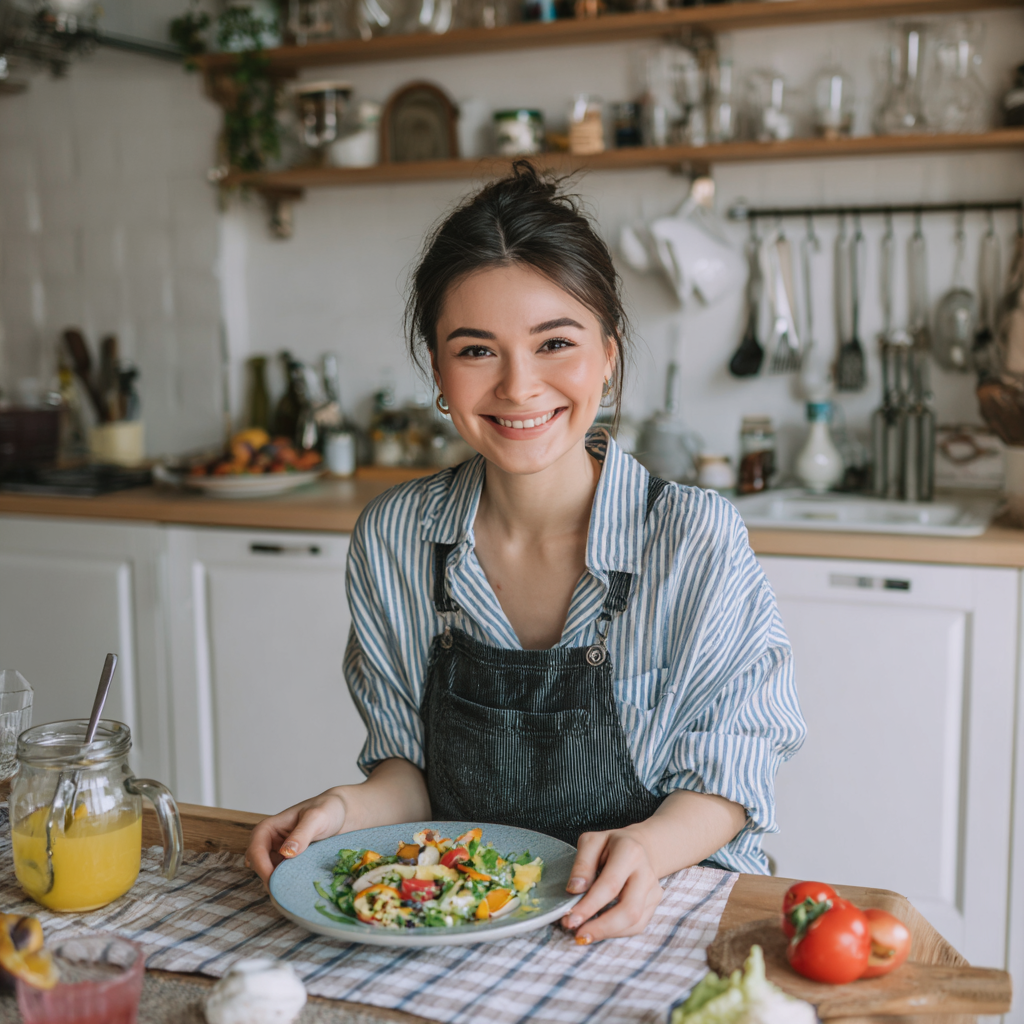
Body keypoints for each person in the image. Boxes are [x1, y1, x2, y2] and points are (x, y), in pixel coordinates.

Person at [247, 163, 806, 944]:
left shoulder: (693, 538)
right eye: (477, 350)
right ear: (437, 370)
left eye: (555, 343)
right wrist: (344, 809)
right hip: (461, 921)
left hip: (658, 911)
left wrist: (644, 848)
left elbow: (730, 779)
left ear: (607, 356)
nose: (518, 386)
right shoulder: (396, 539)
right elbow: (408, 777)